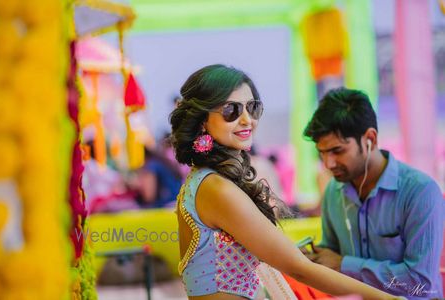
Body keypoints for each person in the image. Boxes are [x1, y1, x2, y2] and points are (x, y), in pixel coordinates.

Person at [169, 65, 397, 299]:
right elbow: (301, 269)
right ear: (202, 121)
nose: (247, 120)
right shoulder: (216, 188)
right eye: (231, 110)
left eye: (252, 108)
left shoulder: (206, 181)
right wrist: (390, 298)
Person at [303, 87, 444, 299]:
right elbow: (330, 256)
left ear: (370, 138)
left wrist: (344, 264)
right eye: (321, 153)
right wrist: (311, 258)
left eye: (337, 151)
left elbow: (419, 283)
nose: (328, 163)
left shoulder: (420, 192)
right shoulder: (334, 190)